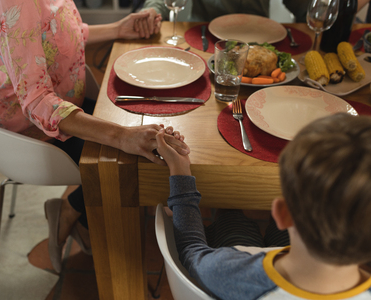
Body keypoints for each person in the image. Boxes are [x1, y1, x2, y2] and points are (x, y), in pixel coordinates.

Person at [0, 0, 183, 273]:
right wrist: (121, 137)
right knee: (128, 160)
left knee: (137, 131)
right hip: (35, 129)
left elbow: (60, 34)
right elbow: (36, 101)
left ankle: (80, 215)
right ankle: (71, 214)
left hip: (68, 105)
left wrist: (119, 28)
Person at [155, 113, 371, 299]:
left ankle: (229, 212)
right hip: (283, 253)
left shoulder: (228, 273)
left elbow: (192, 251)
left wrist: (180, 170)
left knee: (233, 221)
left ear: (282, 213)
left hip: (251, 265)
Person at [137, 0, 371, 37]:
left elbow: (305, 10)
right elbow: (161, 0)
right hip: (199, 37)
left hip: (257, 42)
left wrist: (341, 7)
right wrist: (150, 10)